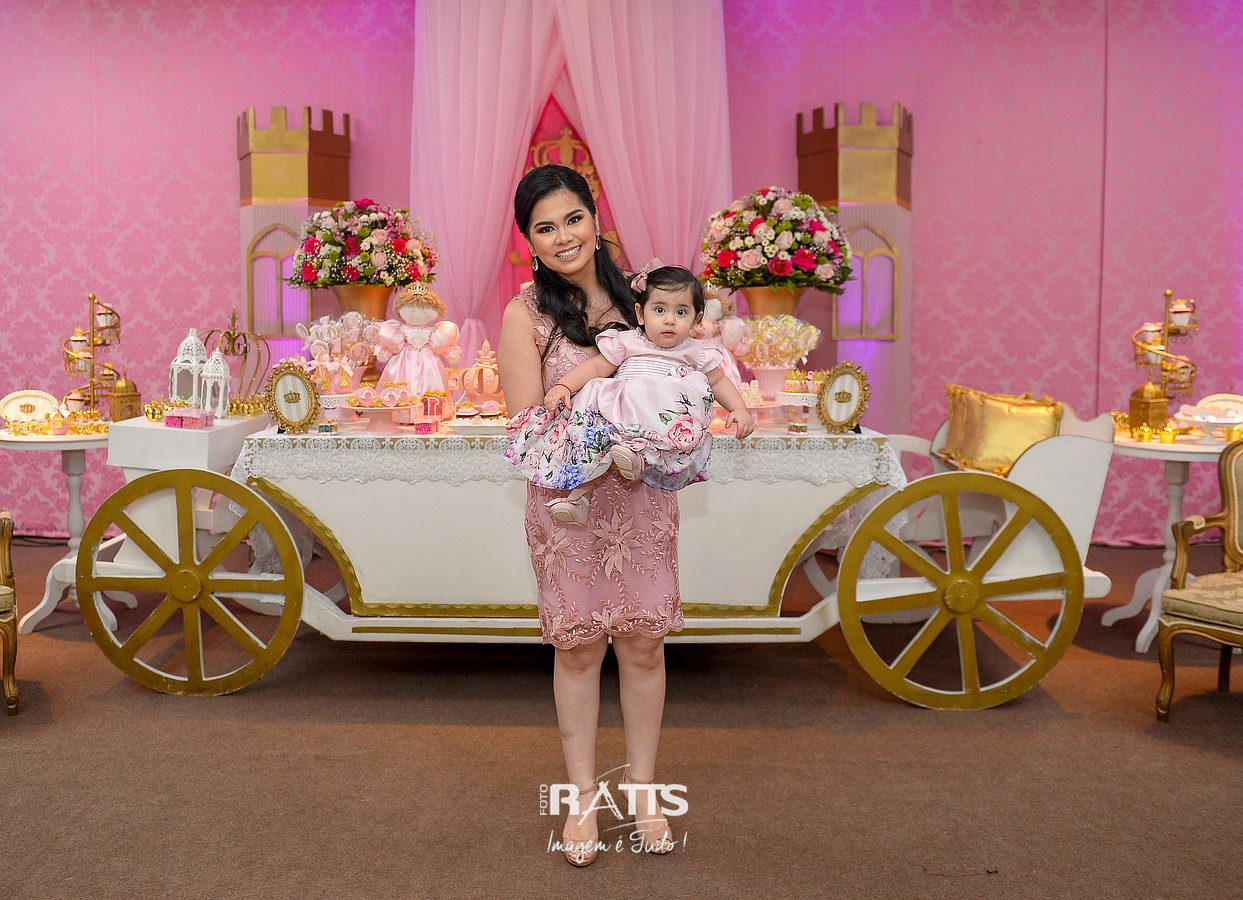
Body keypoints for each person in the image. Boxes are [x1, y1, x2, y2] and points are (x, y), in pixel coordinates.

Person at [498, 164, 689, 866]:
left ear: (595, 217)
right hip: (569, 503)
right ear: (529, 242)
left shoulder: (645, 298)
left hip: (641, 496)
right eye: (544, 227)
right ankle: (582, 795)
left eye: (572, 218)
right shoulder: (525, 314)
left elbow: (688, 376)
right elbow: (527, 426)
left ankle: (642, 788)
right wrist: (602, 420)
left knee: (643, 644)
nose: (563, 236)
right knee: (578, 649)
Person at [506, 262, 755, 525]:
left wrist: (738, 408)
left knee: (666, 434)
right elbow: (597, 367)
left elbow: (718, 380)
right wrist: (564, 386)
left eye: (681, 312)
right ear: (640, 313)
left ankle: (639, 459)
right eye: (659, 310)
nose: (669, 320)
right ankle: (578, 500)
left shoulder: (695, 352)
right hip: (620, 413)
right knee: (594, 446)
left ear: (696, 319)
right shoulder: (628, 341)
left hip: (657, 420)